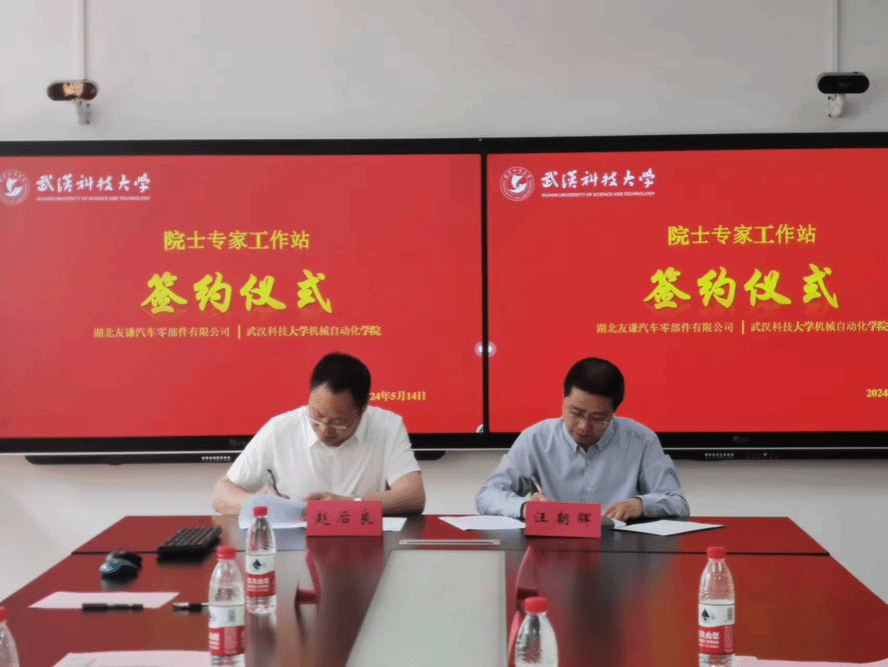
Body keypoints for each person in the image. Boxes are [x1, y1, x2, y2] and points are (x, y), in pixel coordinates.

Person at [476, 357, 689, 522]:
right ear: (563, 400)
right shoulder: (537, 438)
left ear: (613, 412)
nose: (583, 426)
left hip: (623, 548)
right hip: (555, 549)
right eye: (576, 413)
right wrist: (525, 507)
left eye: (598, 418)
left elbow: (677, 503)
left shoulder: (641, 440)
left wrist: (639, 505)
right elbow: (487, 495)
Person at [211, 352, 425, 516]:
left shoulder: (387, 426)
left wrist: (350, 504)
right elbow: (221, 493)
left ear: (363, 408)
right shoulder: (281, 428)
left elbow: (413, 495)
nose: (324, 430)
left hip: (363, 546)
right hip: (296, 546)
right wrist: (261, 504)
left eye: (338, 422)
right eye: (316, 416)